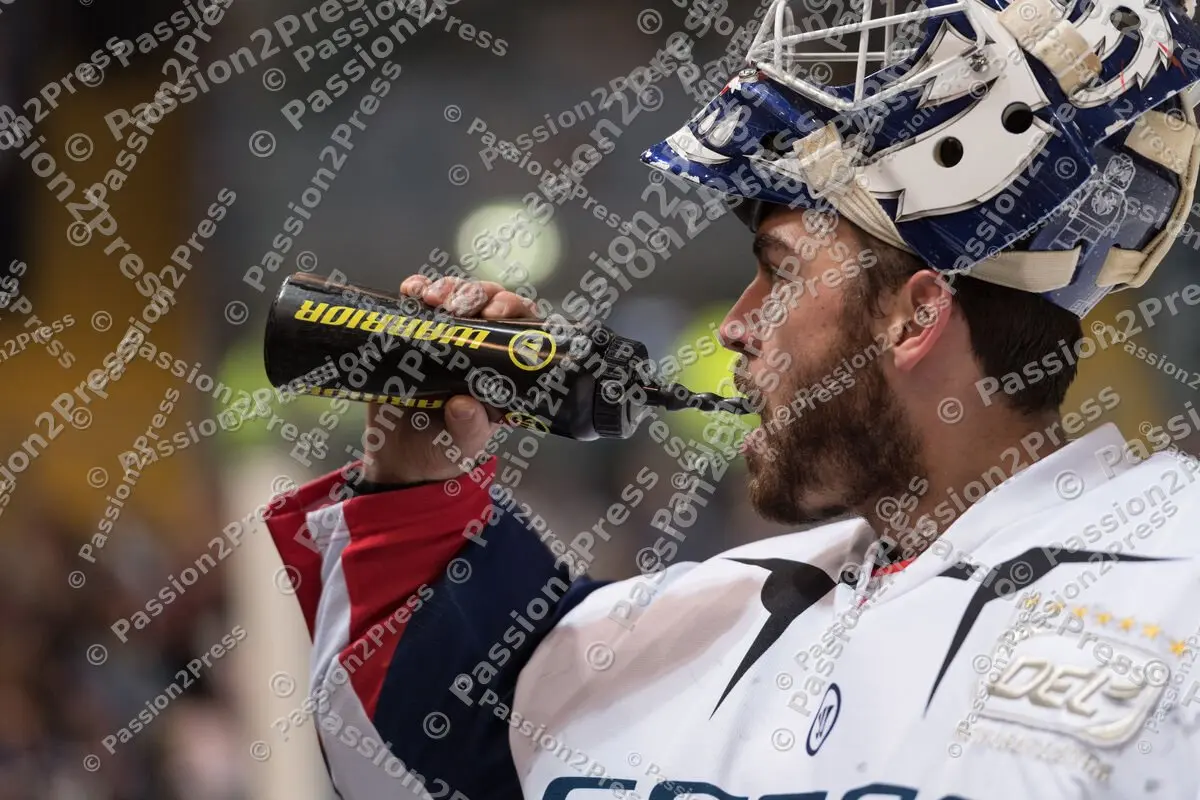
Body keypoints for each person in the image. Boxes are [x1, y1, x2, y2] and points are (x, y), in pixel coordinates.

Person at [264, 0, 1200, 797]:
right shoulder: (721, 608)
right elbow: (421, 762)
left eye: (777, 273)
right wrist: (418, 479)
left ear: (914, 321)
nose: (735, 325)